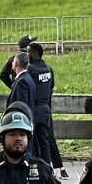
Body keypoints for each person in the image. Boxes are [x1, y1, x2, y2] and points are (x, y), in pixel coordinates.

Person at [27, 42, 66, 177]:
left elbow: (27, 87)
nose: (27, 54)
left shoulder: (31, 70)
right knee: (45, 141)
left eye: (28, 51)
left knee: (30, 140)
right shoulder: (48, 69)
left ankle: (31, 168)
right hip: (45, 108)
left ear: (34, 53)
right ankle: (47, 169)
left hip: (34, 108)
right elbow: (51, 86)